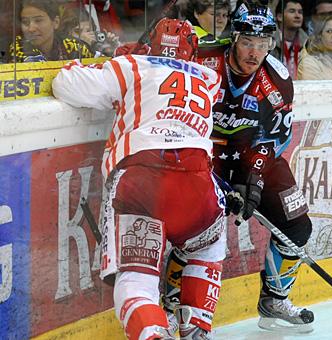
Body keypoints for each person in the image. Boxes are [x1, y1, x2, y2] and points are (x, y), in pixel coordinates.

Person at [52, 18, 226, 340]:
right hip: (199, 183)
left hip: (142, 180)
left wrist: (99, 61)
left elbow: (67, 84)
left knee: (136, 281)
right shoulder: (209, 78)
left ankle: (151, 335)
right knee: (208, 251)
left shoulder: (131, 65)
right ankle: (198, 328)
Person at [169, 1, 315, 333]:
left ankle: (274, 300)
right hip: (204, 151)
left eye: (262, 44)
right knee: (197, 228)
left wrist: (253, 181)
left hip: (255, 154)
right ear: (233, 38)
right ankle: (172, 302)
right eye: (248, 42)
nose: (254, 52)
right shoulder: (202, 58)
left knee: (297, 226)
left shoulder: (276, 80)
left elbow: (276, 137)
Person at [9, 0, 94, 62]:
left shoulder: (74, 46)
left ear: (56, 22)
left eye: (38, 20)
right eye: (25, 22)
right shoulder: (18, 47)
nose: (31, 29)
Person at [272, 0, 308, 79]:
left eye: (300, 12)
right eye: (292, 11)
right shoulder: (269, 42)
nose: (297, 16)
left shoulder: (308, 43)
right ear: (279, 17)